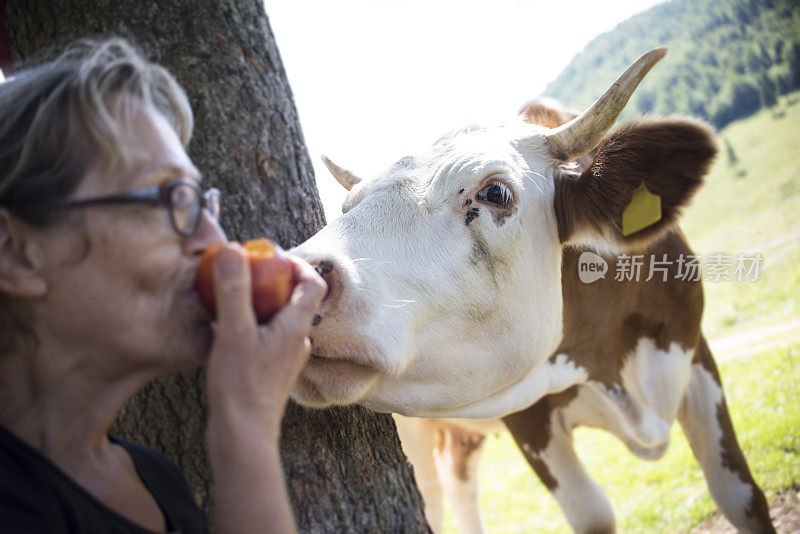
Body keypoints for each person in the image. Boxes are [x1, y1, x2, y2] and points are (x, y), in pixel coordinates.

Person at [0, 38, 326, 533]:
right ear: (15, 252)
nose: (214, 239)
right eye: (170, 200)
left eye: (200, 202)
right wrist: (247, 427)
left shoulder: (155, 481)